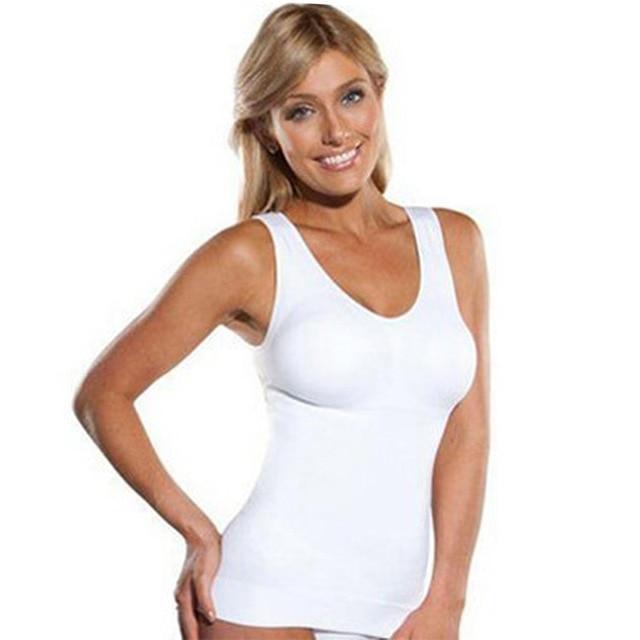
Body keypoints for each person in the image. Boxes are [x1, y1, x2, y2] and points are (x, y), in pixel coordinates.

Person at [72, 4, 490, 640]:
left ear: (379, 93)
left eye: (351, 96)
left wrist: (448, 600)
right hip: (265, 600)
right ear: (268, 130)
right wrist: (195, 530)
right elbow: (104, 394)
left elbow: (468, 428)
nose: (335, 131)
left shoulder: (454, 241)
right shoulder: (251, 254)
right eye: (300, 110)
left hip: (408, 612)